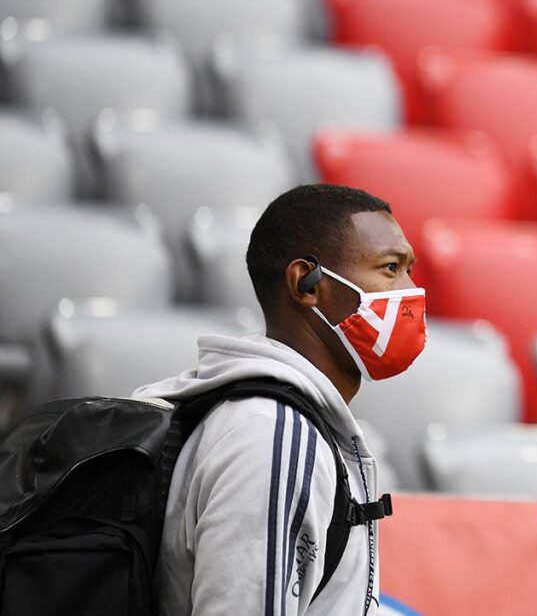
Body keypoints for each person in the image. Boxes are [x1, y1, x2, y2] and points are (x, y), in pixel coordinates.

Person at [133, 184, 426, 616]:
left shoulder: (282, 421)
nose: (410, 293)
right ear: (306, 285)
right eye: (389, 268)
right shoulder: (272, 437)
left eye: (409, 270)